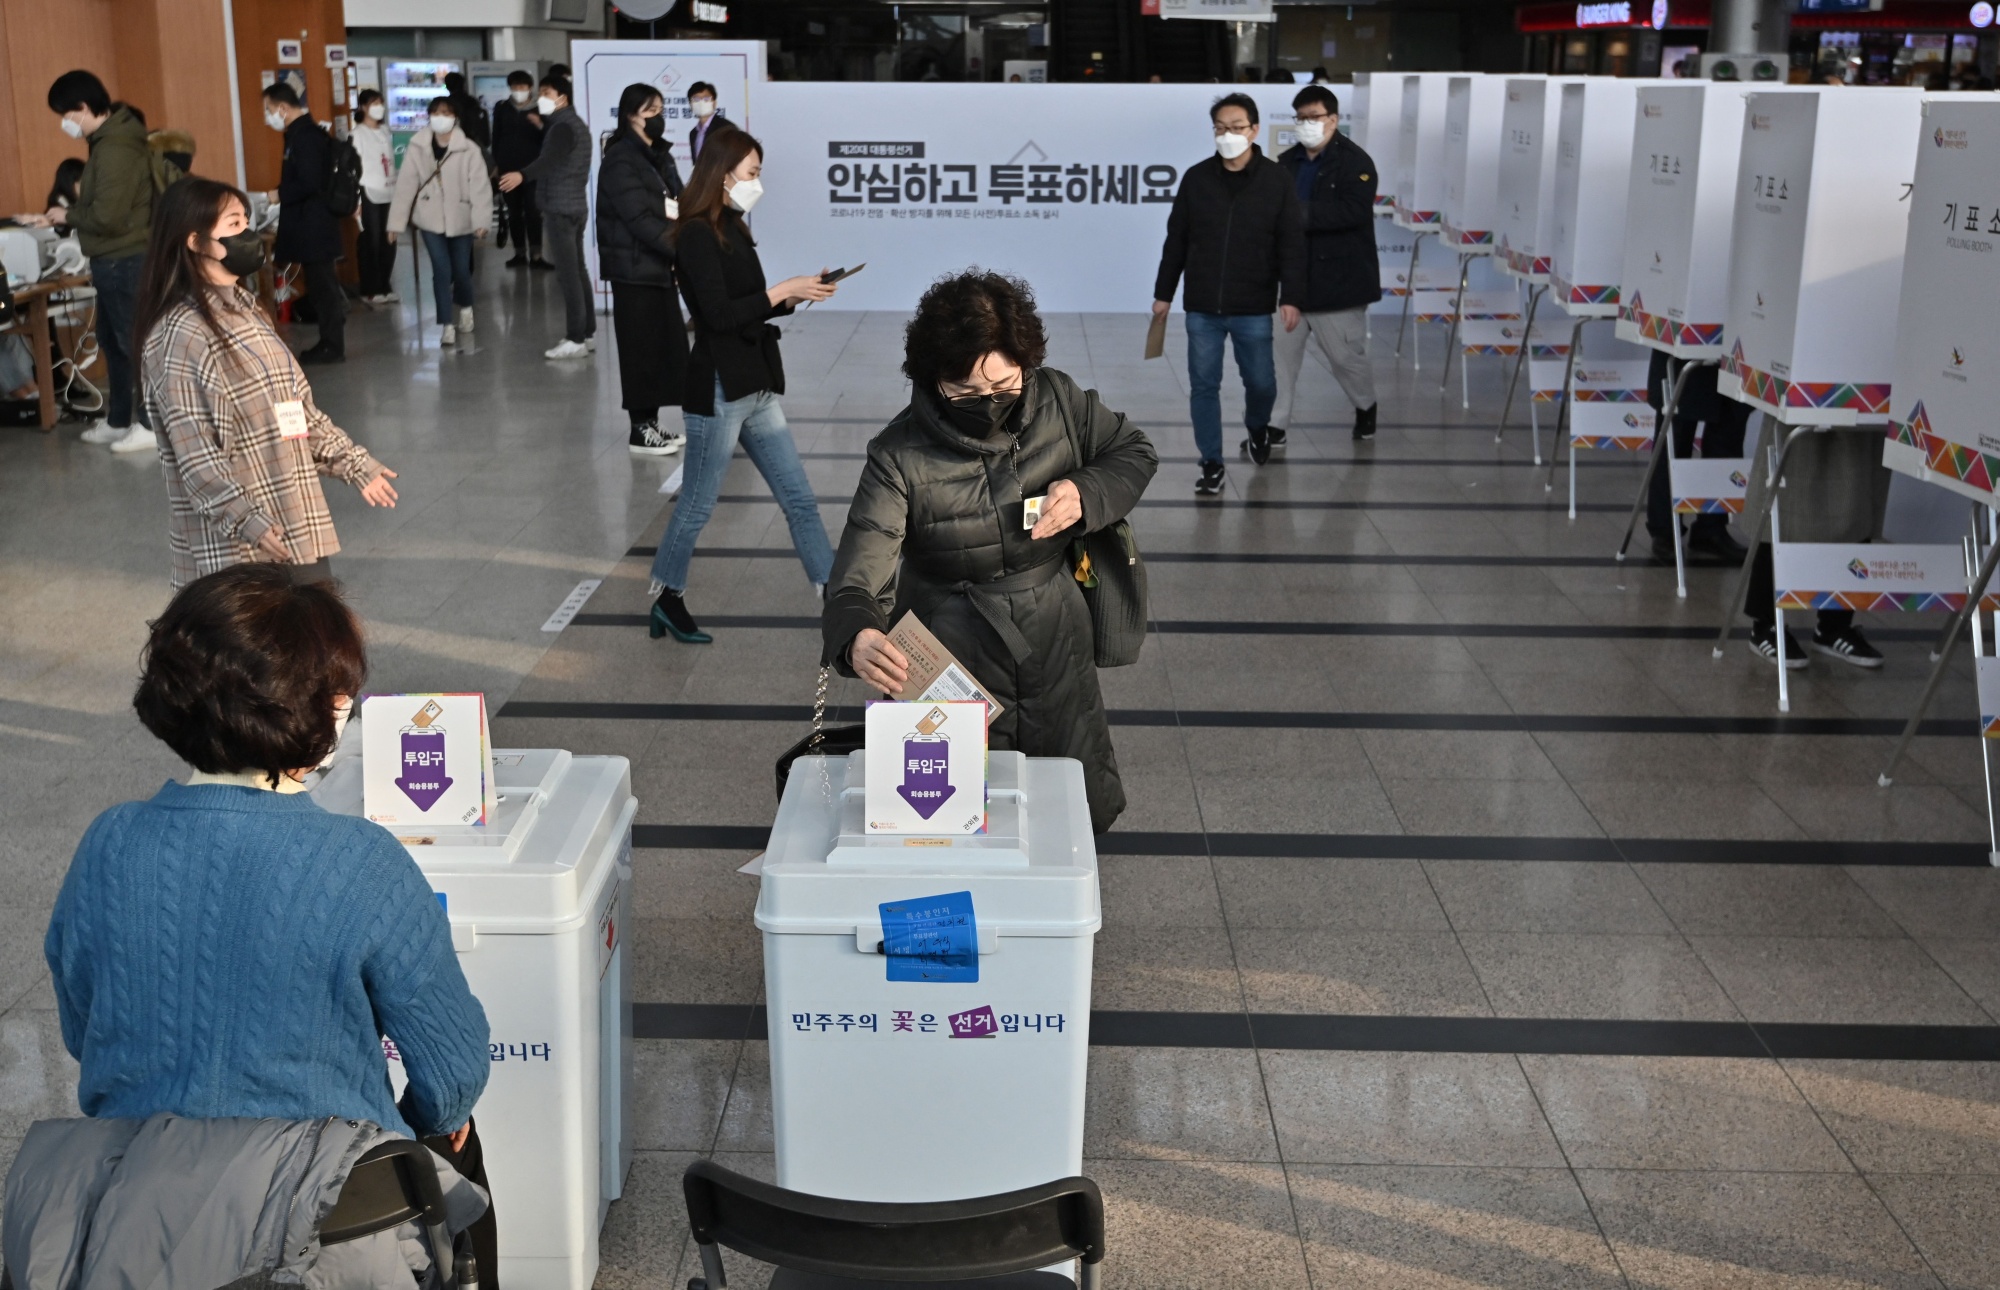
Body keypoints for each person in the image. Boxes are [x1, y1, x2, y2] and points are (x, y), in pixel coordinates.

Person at [46, 562, 490, 1164]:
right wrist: (406, 1128)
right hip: (319, 1214)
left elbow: (84, 1034)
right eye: (340, 694)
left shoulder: (108, 844)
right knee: (460, 1154)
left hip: (136, 1197)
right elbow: (451, 1069)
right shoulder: (363, 863)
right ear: (317, 711)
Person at [823, 271, 1159, 834]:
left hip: (1054, 637)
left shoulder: (1057, 399)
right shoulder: (897, 454)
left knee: (1063, 807)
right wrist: (856, 633)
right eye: (967, 393)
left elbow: (1132, 449)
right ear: (934, 379)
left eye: (1005, 388)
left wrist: (1085, 492)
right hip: (950, 652)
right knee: (953, 817)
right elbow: (861, 567)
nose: (989, 404)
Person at [136, 177, 400, 588]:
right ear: (195, 240)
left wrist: (355, 464)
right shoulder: (180, 334)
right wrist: (249, 522)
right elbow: (197, 456)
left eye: (247, 221)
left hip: (293, 518)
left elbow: (295, 412)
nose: (249, 235)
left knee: (316, 642)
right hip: (238, 547)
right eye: (234, 224)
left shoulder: (248, 310)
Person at [647, 128, 838, 643]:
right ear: (722, 173)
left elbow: (749, 301)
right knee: (698, 504)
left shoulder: (732, 225)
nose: (758, 183)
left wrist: (796, 296)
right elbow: (716, 315)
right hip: (717, 388)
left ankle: (836, 595)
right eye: (752, 173)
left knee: (798, 497)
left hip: (754, 382)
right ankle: (668, 595)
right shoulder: (693, 235)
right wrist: (782, 289)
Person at [1151, 92, 1306, 496]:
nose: (1228, 135)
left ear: (1255, 130)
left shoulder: (1276, 181)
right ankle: (1212, 462)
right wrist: (1163, 293)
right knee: (1204, 385)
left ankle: (1257, 428)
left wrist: (1291, 296)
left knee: (1261, 383)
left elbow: (1291, 242)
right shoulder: (1197, 178)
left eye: (1236, 128)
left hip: (1253, 304)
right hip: (1202, 304)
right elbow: (1176, 240)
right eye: (1220, 128)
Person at [30, 71, 155, 451]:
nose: (64, 124)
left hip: (125, 259)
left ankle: (151, 425)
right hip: (110, 260)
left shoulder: (116, 146)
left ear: (83, 107)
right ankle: (119, 419)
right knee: (113, 342)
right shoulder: (104, 142)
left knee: (134, 343)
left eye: (65, 114)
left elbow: (109, 217)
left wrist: (68, 216)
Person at [1272, 84, 1380, 447]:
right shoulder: (1286, 163)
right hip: (1290, 283)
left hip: (1339, 284)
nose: (1306, 124)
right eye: (1300, 118)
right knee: (1280, 361)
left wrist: (1297, 214)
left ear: (1333, 120)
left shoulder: (1357, 163)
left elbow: (1353, 210)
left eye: (1313, 117)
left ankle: (1365, 406)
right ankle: (1276, 426)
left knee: (1345, 359)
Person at [1736, 423, 1889, 669]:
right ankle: (1764, 625)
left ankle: (1835, 626)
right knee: (1786, 499)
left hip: (1865, 400)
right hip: (1801, 399)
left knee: (1855, 501)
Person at [597, 83, 689, 457]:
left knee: (663, 348)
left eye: (661, 109)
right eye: (650, 110)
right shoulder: (620, 159)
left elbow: (678, 202)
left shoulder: (659, 156)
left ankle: (652, 423)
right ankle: (639, 428)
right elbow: (638, 218)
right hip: (633, 269)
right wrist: (679, 249)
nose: (658, 117)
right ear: (630, 114)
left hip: (658, 267)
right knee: (639, 350)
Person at [499, 74, 594, 360]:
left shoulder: (563, 127)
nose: (541, 97)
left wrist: (522, 174)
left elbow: (549, 161)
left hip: (561, 208)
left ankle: (575, 337)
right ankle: (586, 333)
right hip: (574, 206)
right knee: (578, 271)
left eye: (547, 92)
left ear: (562, 97)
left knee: (569, 276)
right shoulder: (570, 124)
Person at [388, 97, 493, 348]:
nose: (439, 117)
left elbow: (480, 187)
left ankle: (466, 308)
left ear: (455, 117)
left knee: (461, 270)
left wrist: (481, 220)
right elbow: (406, 186)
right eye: (435, 112)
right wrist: (395, 223)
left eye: (445, 112)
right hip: (429, 217)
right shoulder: (418, 146)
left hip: (461, 217)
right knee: (440, 271)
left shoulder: (469, 148)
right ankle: (446, 324)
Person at [260, 81, 347, 364]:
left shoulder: (306, 137)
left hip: (315, 224)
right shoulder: (299, 134)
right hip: (310, 223)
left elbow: (309, 182)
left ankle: (332, 345)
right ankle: (329, 341)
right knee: (320, 286)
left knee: (323, 287)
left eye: (269, 109)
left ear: (283, 108)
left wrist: (278, 194)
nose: (268, 115)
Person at [1643, 351, 1748, 566]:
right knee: (1676, 435)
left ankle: (1712, 528)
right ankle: (1664, 530)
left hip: (1737, 342)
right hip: (1685, 338)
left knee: (1727, 433)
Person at [492, 70, 550, 268]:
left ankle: (536, 254)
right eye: (515, 87)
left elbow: (550, 137)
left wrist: (541, 125)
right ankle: (519, 253)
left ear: (530, 88)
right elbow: (496, 137)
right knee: (514, 212)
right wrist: (496, 165)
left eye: (522, 87)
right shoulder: (502, 108)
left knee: (533, 211)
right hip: (507, 168)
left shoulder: (542, 108)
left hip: (533, 169)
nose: (518, 91)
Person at [351, 89, 399, 305]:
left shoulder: (386, 131)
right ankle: (370, 288)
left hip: (389, 190)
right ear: (363, 107)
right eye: (373, 103)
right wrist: (357, 201)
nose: (379, 106)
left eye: (381, 102)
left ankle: (385, 285)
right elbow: (353, 170)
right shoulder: (357, 134)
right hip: (368, 192)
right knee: (372, 240)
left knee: (389, 239)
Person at [441, 70, 491, 152]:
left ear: (447, 86)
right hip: (474, 146)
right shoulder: (473, 102)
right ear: (463, 85)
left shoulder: (446, 104)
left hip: (453, 147)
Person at [687, 81, 732, 162]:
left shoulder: (725, 128)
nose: (701, 102)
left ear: (714, 103)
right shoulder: (693, 133)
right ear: (690, 104)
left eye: (706, 99)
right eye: (696, 99)